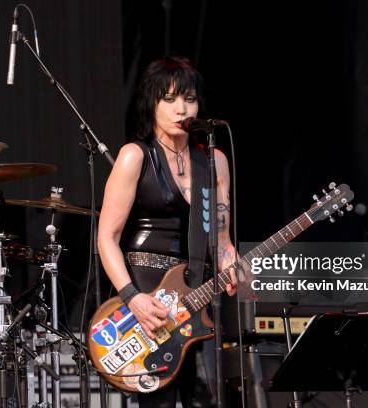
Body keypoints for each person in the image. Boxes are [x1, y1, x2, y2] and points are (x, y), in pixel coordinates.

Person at [97, 56, 237, 407]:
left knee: (204, 396)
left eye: (188, 99)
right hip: (146, 291)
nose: (181, 108)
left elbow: (221, 240)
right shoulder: (135, 156)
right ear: (152, 104)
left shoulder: (214, 161)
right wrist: (132, 298)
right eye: (170, 99)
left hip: (197, 294)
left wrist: (231, 261)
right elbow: (106, 237)